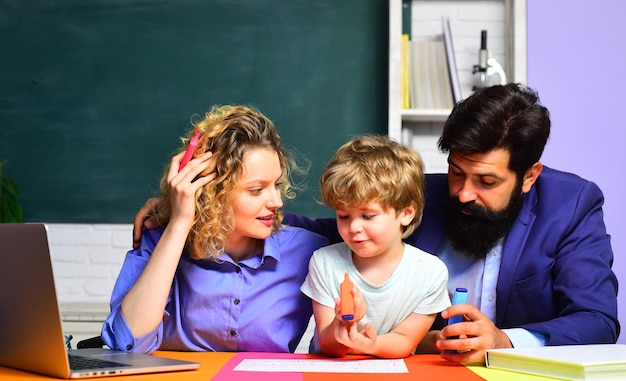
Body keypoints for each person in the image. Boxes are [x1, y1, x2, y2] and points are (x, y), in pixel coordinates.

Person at [133, 84, 619, 364]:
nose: (464, 193)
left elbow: (597, 321)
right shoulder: (410, 196)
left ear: (529, 174)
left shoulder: (571, 205)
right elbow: (319, 228)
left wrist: (502, 339)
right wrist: (193, 208)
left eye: (486, 181)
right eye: (456, 173)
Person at [102, 105, 328, 354]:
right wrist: (178, 223)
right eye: (256, 190)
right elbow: (128, 343)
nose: (277, 201)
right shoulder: (159, 237)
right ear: (212, 192)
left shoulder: (308, 246)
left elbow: (371, 227)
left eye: (277, 184)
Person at [301, 135, 450, 359]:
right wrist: (340, 326)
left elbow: (405, 340)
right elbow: (326, 343)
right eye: (343, 216)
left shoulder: (430, 273)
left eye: (368, 216)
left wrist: (368, 344)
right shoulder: (324, 262)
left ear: (406, 213)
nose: (354, 227)